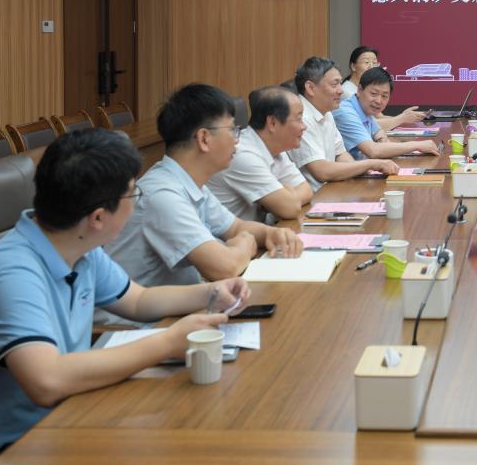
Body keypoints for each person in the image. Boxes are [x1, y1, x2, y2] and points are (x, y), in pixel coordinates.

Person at [0, 129, 249, 453]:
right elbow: (46, 381)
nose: (136, 203)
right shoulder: (11, 275)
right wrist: (167, 343)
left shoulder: (79, 246)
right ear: (98, 217)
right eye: (133, 195)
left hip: (64, 419)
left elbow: (138, 300)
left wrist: (211, 293)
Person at [105, 84, 302, 290]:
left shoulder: (189, 182)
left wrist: (270, 234)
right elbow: (224, 267)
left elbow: (235, 227)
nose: (237, 140)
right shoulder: (162, 194)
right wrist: (244, 244)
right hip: (149, 311)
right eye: (232, 130)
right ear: (204, 138)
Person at [287, 57, 399, 190]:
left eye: (340, 84)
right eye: (334, 85)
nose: (341, 90)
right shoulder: (301, 118)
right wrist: (370, 164)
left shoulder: (326, 112)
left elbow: (340, 154)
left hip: (332, 190)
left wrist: (361, 172)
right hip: (313, 198)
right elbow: (322, 171)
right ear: (311, 88)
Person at [207, 85, 313, 222]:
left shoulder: (275, 146)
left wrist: (285, 197)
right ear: (273, 123)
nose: (304, 126)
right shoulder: (241, 154)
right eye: (298, 119)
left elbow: (306, 190)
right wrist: (286, 198)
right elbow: (290, 208)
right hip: (234, 235)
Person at [333, 67, 441, 159]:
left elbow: (378, 131)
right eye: (374, 93)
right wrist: (417, 145)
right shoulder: (345, 111)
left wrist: (381, 139)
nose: (379, 101)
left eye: (384, 96)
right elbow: (373, 150)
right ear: (359, 90)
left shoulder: (365, 108)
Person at [341, 45, 425, 131]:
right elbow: (366, 125)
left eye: (374, 63)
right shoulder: (347, 92)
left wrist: (406, 117)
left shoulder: (364, 88)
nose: (371, 67)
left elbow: (379, 117)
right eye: (366, 62)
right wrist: (402, 118)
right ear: (353, 66)